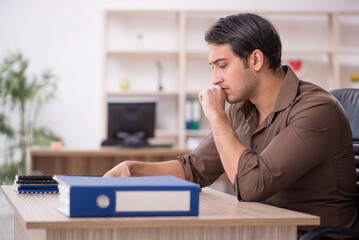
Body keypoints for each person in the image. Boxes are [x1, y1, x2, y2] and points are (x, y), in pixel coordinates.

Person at [104, 13, 358, 236]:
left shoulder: (317, 109)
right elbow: (195, 169)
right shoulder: (242, 108)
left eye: (222, 65)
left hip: (311, 235)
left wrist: (216, 116)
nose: (215, 79)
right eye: (213, 67)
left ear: (256, 60)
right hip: (264, 228)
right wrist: (132, 169)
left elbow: (251, 186)